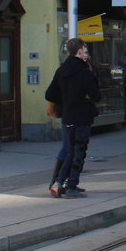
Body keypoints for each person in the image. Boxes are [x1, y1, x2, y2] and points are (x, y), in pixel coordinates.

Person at [44, 38, 100, 198]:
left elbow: (50, 94)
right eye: (85, 51)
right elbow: (96, 95)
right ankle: (70, 185)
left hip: (68, 116)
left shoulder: (61, 70)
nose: (87, 54)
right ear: (79, 51)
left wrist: (66, 99)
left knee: (70, 150)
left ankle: (59, 183)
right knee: (79, 151)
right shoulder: (84, 72)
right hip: (82, 116)